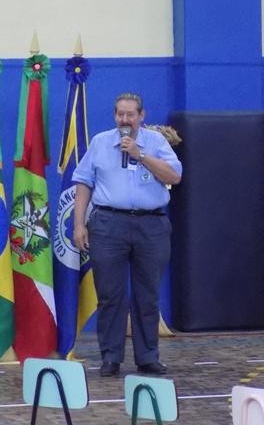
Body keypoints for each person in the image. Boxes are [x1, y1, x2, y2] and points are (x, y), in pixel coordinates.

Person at [73, 93, 182, 377]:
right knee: (110, 295)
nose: (125, 119)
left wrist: (140, 155)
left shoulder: (156, 142)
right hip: (108, 224)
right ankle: (111, 357)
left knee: (147, 295)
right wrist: (79, 225)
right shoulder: (100, 143)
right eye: (120, 114)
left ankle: (147, 357)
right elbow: (83, 183)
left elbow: (174, 176)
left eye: (130, 114)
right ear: (114, 116)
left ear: (141, 116)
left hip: (151, 225)